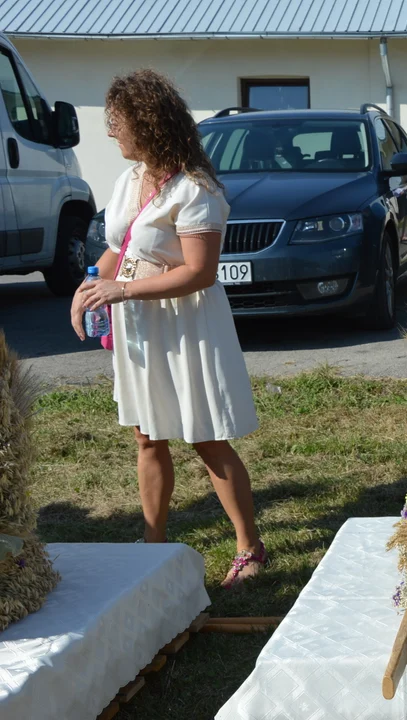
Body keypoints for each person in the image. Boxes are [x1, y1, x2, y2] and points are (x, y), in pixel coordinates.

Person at [69, 69, 267, 588]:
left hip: (186, 323)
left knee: (205, 438)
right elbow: (120, 247)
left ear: (147, 123)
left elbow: (200, 271)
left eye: (117, 122)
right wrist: (90, 286)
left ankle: (250, 548)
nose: (111, 132)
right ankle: (152, 547)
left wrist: (123, 291)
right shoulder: (131, 179)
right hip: (139, 322)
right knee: (147, 435)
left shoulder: (196, 190)